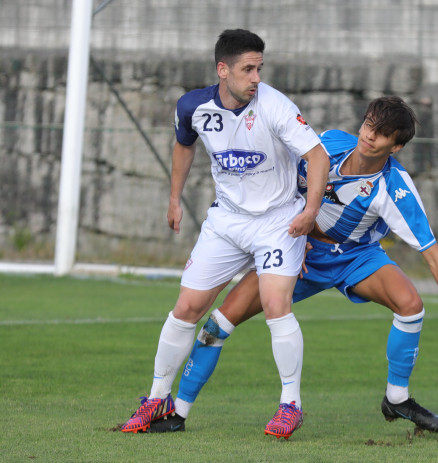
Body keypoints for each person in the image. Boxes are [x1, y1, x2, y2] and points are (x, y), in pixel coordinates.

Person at [146, 96, 438, 436]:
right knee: (219, 323)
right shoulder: (330, 143)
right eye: (369, 125)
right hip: (300, 250)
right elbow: (279, 178)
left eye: (381, 134)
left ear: (394, 146)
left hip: (356, 257)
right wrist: (288, 234)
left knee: (411, 305)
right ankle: (178, 412)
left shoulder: (395, 188)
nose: (369, 136)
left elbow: (433, 255)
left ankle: (397, 398)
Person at [120, 29, 330, 439]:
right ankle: (157, 397)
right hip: (228, 221)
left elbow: (317, 155)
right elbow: (184, 144)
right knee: (187, 308)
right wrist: (175, 198)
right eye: (247, 69)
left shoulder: (275, 106)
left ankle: (291, 404)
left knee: (274, 303)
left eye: (259, 68)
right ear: (223, 70)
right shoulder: (192, 107)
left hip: (278, 220)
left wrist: (311, 210)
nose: (256, 77)